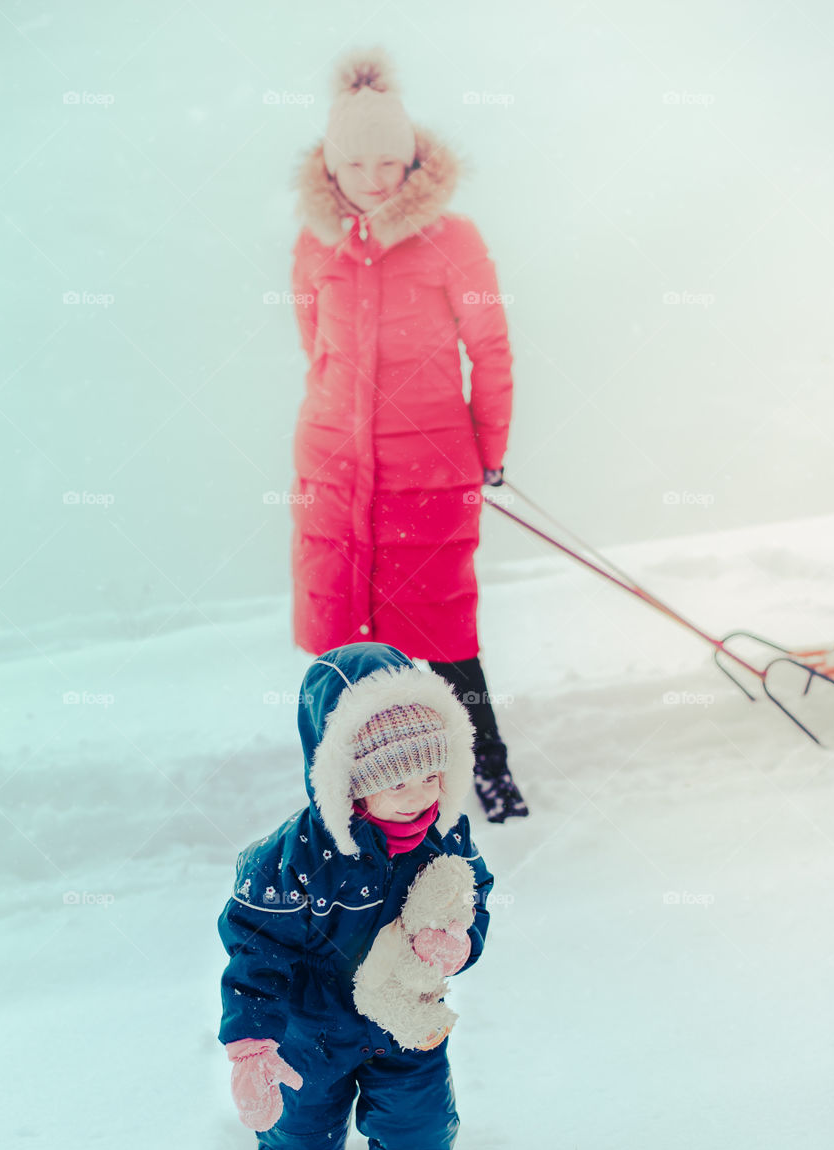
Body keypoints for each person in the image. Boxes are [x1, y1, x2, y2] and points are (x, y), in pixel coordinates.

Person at [288, 45, 528, 823]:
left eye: (390, 161)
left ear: (412, 159)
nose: (374, 178)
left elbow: (489, 350)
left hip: (429, 473)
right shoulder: (312, 245)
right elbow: (315, 351)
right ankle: (350, 801)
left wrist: (487, 453)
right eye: (356, 162)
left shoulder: (450, 239)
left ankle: (487, 775)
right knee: (341, 655)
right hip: (333, 471)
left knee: (443, 636)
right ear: (331, 165)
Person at [217, 641, 494, 1150]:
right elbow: (257, 950)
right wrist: (252, 1046)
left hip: (406, 1022)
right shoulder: (292, 860)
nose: (419, 796)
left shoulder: (445, 836)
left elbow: (473, 894)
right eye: (397, 780)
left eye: (430, 775)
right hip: (311, 1031)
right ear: (348, 779)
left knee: (422, 1146)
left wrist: (461, 941)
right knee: (299, 1148)